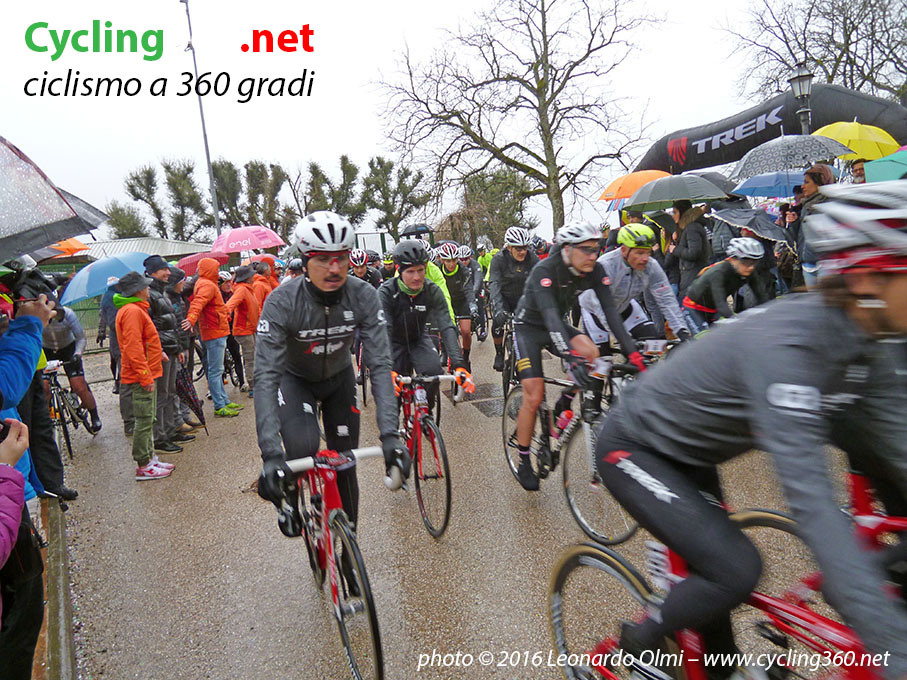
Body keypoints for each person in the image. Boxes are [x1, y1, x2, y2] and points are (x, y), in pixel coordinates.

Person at [596, 180, 907, 680]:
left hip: (694, 451)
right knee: (735, 568)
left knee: (717, 624)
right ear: (870, 278)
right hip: (635, 445)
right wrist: (892, 649)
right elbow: (813, 504)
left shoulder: (872, 344)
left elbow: (898, 449)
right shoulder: (788, 352)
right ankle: (641, 637)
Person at [255, 211, 409, 598]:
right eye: (323, 259)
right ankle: (289, 499)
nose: (334, 267)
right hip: (295, 381)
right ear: (306, 261)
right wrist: (271, 454)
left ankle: (348, 555)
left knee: (345, 463)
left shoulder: (364, 295)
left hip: (339, 379)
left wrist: (391, 435)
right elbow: (266, 377)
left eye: (340, 257)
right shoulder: (281, 301)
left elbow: (380, 365)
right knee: (303, 447)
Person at [511, 221, 646, 491]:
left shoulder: (594, 270)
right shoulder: (545, 270)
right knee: (534, 394)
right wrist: (570, 357)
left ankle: (564, 402)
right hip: (529, 328)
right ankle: (524, 458)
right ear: (567, 249)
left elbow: (611, 314)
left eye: (595, 249)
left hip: (557, 326)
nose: (593, 256)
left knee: (593, 353)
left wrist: (634, 355)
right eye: (586, 249)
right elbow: (550, 316)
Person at [0, 294, 56, 679]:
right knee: (21, 617)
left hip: (13, 479)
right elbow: (5, 385)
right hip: (7, 486)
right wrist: (29, 325)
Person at [378, 240, 475, 412]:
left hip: (418, 339)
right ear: (399, 270)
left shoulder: (432, 290)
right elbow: (384, 330)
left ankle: (425, 413)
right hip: (393, 342)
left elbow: (446, 325)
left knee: (434, 372)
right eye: (410, 271)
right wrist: (387, 366)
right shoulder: (386, 292)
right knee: (392, 401)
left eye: (420, 270)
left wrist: (458, 364)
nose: (417, 277)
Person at [579, 224, 692, 348]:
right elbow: (601, 307)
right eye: (639, 253)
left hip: (624, 306)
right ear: (624, 250)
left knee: (652, 345)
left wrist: (681, 331)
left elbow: (666, 299)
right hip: (595, 311)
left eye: (648, 252)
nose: (645, 258)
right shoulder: (606, 266)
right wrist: (625, 339)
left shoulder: (651, 265)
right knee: (603, 358)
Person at [114, 272, 176, 481]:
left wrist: (159, 353)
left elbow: (144, 341)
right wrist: (144, 376)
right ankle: (143, 464)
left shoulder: (135, 309)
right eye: (145, 286)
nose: (149, 288)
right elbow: (133, 346)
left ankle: (149, 457)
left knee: (148, 418)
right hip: (141, 375)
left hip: (146, 371)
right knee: (144, 420)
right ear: (138, 290)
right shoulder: (132, 311)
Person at [143, 255, 193, 454]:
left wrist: (178, 348)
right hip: (161, 352)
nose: (168, 273)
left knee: (170, 391)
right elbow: (151, 327)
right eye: (164, 269)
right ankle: (160, 437)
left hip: (171, 349)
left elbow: (171, 323)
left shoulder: (161, 292)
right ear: (153, 271)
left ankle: (171, 430)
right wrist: (160, 349)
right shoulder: (150, 294)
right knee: (161, 395)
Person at [182, 259, 241, 417]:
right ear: (210, 269)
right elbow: (198, 303)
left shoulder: (206, 283)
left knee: (217, 369)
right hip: (214, 331)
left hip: (215, 330)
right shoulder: (207, 285)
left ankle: (224, 401)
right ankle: (219, 405)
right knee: (215, 371)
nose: (217, 271)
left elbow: (208, 305)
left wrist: (223, 314)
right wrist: (191, 318)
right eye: (216, 268)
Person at [682, 237, 767, 332]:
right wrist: (738, 322)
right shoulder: (719, 272)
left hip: (712, 309)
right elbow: (720, 303)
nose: (751, 267)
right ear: (733, 259)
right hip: (693, 307)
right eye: (746, 262)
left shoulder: (749, 272)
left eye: (755, 262)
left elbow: (762, 296)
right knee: (703, 337)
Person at [41, 306, 102, 433]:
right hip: (46, 350)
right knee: (44, 387)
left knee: (79, 386)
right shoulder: (37, 315)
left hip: (68, 349)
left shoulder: (68, 314)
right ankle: (44, 421)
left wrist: (77, 354)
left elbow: (81, 338)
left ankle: (94, 415)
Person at [488, 226, 539, 372]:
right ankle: (499, 353)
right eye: (518, 248)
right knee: (497, 322)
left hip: (523, 298)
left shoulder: (532, 258)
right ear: (509, 247)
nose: (522, 252)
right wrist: (498, 308)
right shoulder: (498, 259)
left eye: (525, 248)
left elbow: (540, 282)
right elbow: (494, 284)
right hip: (504, 297)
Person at [790, 164, 836, 289]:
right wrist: (794, 223)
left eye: (807, 182)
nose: (802, 186)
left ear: (819, 183)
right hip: (808, 264)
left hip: (826, 263)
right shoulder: (805, 206)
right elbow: (799, 237)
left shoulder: (831, 203)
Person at [437, 242, 477, 369]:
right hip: (446, 301)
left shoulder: (463, 270)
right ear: (442, 260)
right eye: (448, 261)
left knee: (466, 332)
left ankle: (466, 357)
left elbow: (468, 289)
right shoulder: (438, 269)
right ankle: (447, 352)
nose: (451, 264)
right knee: (447, 331)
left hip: (462, 301)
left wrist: (472, 305)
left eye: (454, 260)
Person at [664, 200, 711, 299]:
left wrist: (675, 249)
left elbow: (694, 252)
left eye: (675, 212)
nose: (673, 216)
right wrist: (677, 240)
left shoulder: (692, 228)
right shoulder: (689, 228)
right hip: (691, 275)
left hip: (693, 275)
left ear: (682, 212)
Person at [225, 266, 260, 398]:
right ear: (246, 277)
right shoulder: (242, 289)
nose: (253, 276)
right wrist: (226, 314)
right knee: (250, 359)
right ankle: (253, 386)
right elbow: (230, 305)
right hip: (244, 330)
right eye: (251, 274)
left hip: (250, 329)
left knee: (252, 357)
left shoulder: (248, 289)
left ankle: (254, 384)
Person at [218, 273, 247, 398]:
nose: (229, 284)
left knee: (236, 355)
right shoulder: (217, 296)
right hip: (220, 330)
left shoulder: (234, 294)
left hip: (232, 329)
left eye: (230, 281)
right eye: (226, 282)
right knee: (219, 361)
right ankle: (219, 387)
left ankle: (242, 382)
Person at [96, 276, 120, 393]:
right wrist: (101, 331)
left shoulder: (109, 296)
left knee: (115, 360)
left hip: (116, 334)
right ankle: (117, 382)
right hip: (116, 334)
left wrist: (101, 331)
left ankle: (117, 382)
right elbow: (104, 315)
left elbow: (103, 315)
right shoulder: (111, 296)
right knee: (116, 360)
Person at [458, 244, 487, 341]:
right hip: (466, 289)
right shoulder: (458, 266)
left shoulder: (475, 265)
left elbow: (478, 280)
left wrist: (472, 294)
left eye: (466, 259)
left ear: (470, 257)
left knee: (479, 305)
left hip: (478, 288)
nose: (463, 262)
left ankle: (483, 329)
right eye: (461, 259)